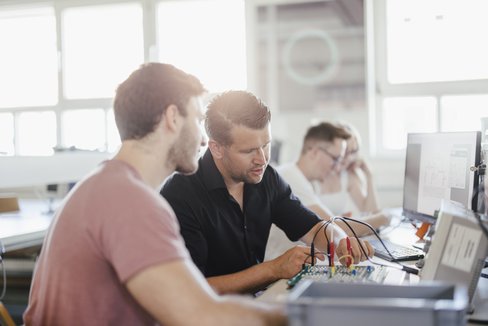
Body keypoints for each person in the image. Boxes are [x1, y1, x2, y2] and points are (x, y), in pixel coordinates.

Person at [23, 63, 285, 325]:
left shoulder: (105, 186)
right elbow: (201, 316)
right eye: (196, 120)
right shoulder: (129, 201)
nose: (204, 141)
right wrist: (298, 314)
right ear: (172, 118)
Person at [161, 90, 373, 295]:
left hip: (254, 302)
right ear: (216, 148)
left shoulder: (266, 178)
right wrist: (273, 269)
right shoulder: (180, 195)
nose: (262, 159)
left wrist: (342, 240)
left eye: (266, 145)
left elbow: (312, 227)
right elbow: (191, 289)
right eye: (249, 150)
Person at [265, 122, 389, 260]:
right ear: (315, 152)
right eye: (335, 159)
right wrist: (384, 218)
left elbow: (329, 227)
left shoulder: (305, 179)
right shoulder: (289, 177)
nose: (337, 167)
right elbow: (333, 227)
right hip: (281, 267)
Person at [318, 122, 381, 216]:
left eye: (353, 151)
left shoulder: (348, 176)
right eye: (345, 151)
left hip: (335, 229)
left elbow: (371, 213)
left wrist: (369, 175)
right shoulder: (315, 173)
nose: (348, 157)